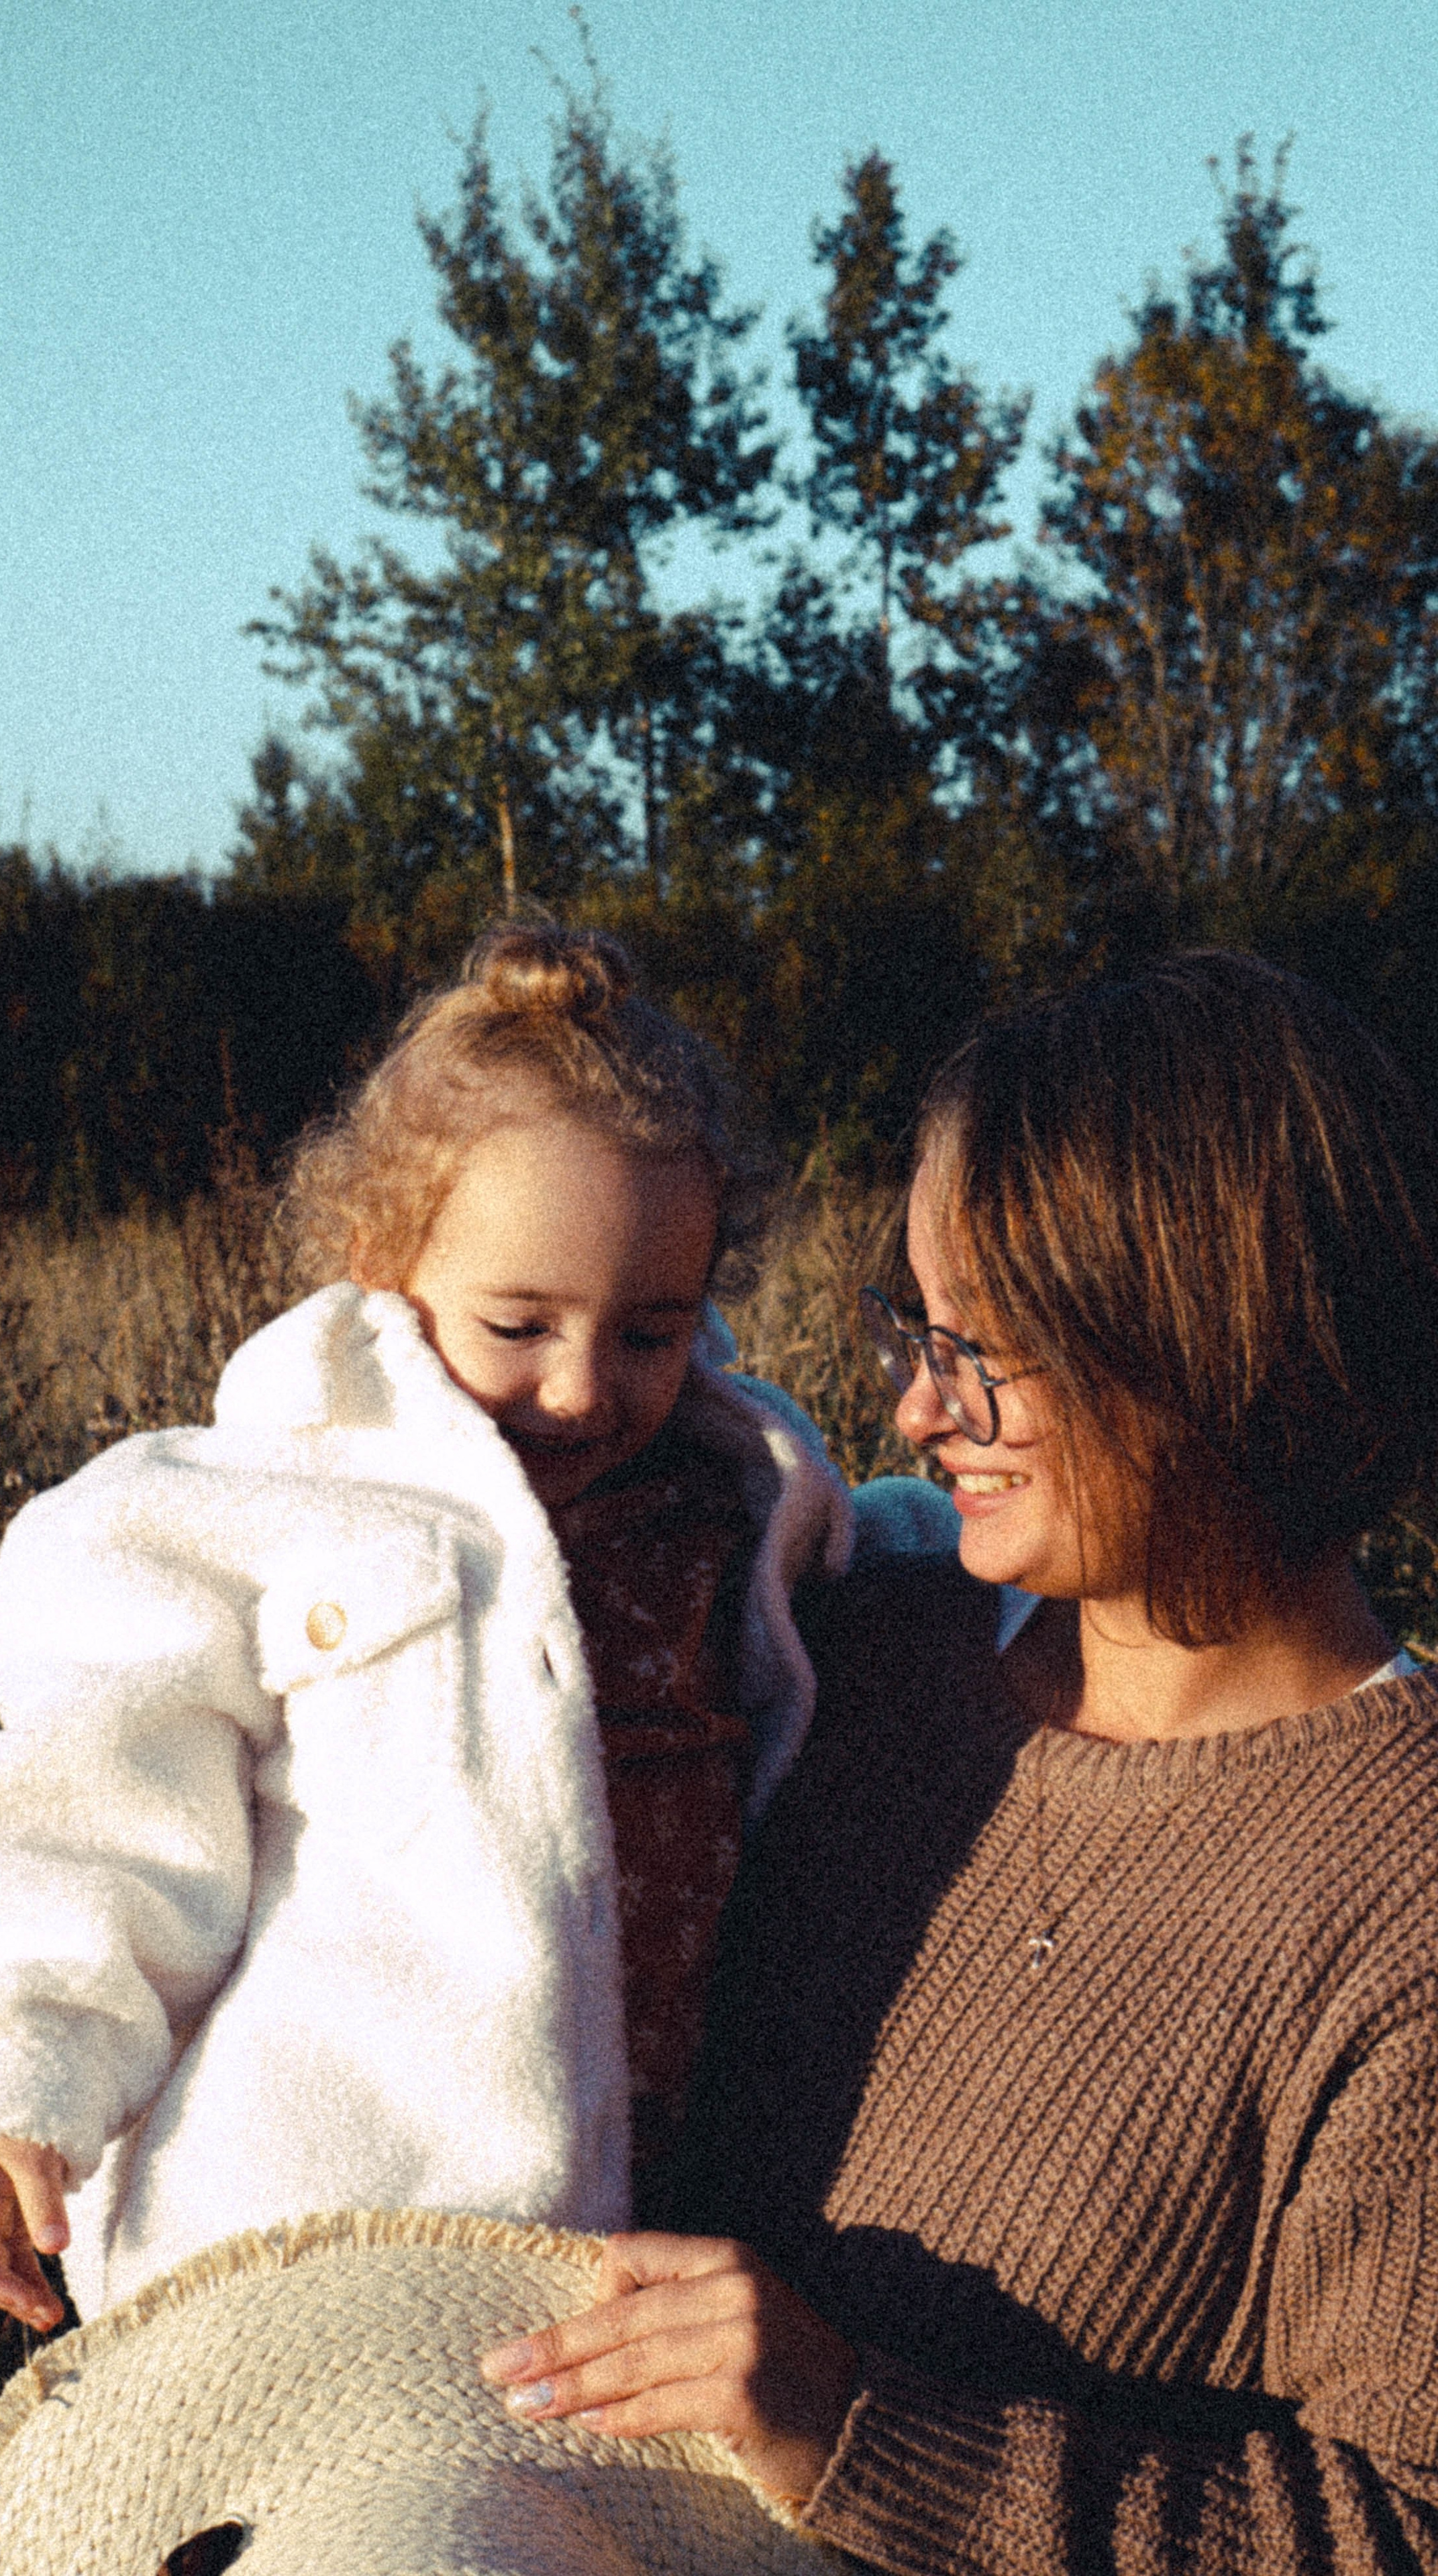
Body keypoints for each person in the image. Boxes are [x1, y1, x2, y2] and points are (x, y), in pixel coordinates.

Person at [478, 952, 1438, 2570]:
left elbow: (1400, 2529)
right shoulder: (840, 1653)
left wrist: (856, 2429)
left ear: (1204, 1340)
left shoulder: (1399, 1898)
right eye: (911, 1329)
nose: (920, 1408)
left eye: (982, 1348)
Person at [0, 923, 949, 2334]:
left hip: (668, 2210)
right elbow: (90, 1817)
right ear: (385, 1260)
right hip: (320, 2222)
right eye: (518, 1325)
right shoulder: (258, 1509)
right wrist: (20, 2080)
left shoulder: (736, 1495)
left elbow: (914, 1585)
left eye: (649, 1331)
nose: (580, 1391)